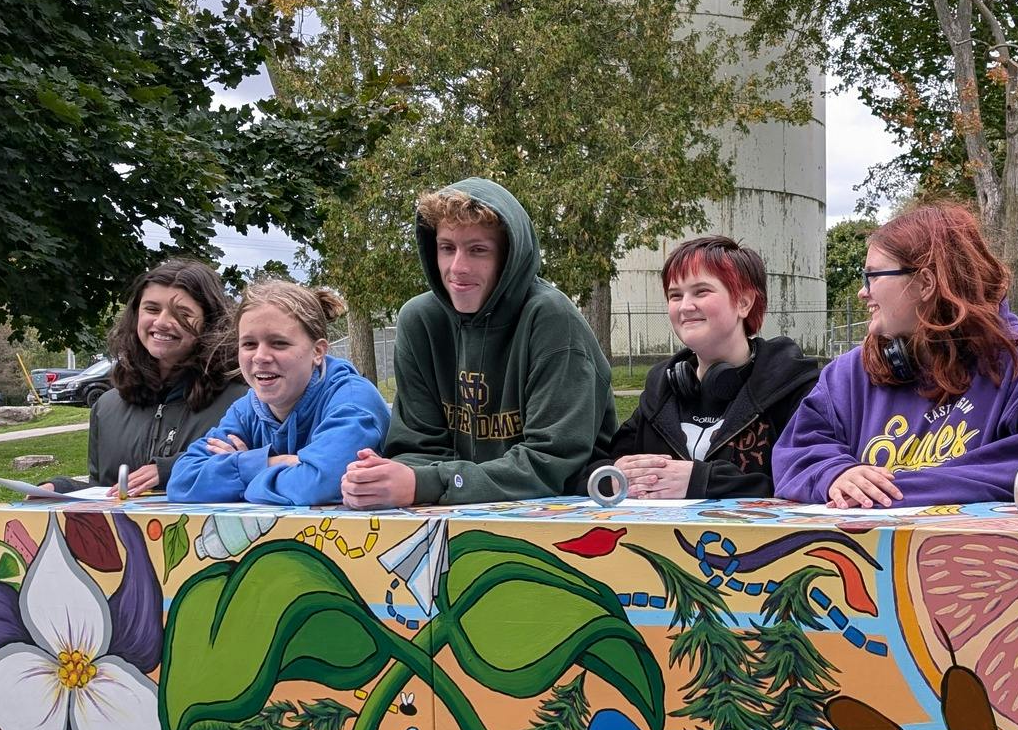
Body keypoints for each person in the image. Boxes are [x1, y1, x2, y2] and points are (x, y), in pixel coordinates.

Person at [772, 199, 1018, 507]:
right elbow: (794, 454)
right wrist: (833, 474)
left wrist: (880, 493)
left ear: (926, 283)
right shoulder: (849, 374)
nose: (862, 292)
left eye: (873, 276)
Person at [341, 178, 616, 508]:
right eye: (447, 248)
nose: (458, 268)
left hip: (557, 513)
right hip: (453, 512)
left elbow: (552, 461)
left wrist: (429, 482)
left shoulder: (551, 319)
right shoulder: (420, 321)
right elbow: (417, 446)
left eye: (478, 250)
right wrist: (384, 478)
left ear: (509, 258)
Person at [599, 235, 819, 499]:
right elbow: (592, 470)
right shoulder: (660, 393)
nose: (685, 306)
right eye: (675, 295)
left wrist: (702, 481)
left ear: (744, 302)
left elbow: (810, 477)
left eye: (701, 291)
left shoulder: (793, 387)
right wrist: (613, 475)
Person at [166, 281, 389, 506]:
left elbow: (320, 483)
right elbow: (182, 481)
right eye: (249, 344)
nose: (260, 357)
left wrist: (232, 474)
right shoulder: (246, 410)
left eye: (279, 343)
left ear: (318, 351)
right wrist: (269, 462)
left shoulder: (352, 402)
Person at [45, 258, 245, 496]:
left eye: (182, 313)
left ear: (210, 322)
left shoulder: (243, 402)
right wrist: (62, 489)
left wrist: (171, 469)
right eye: (151, 309)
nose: (162, 322)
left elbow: (255, 478)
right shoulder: (106, 407)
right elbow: (106, 493)